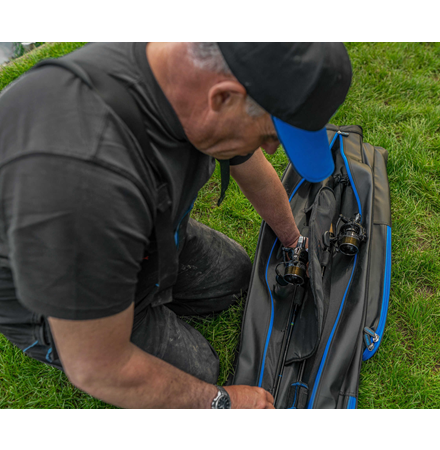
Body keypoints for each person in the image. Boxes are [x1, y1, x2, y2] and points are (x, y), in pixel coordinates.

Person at [0, 42, 352, 408]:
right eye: (271, 136)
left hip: (146, 237)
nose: (272, 149)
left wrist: (294, 241)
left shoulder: (190, 76)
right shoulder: (86, 185)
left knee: (235, 276)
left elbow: (249, 164)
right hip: (67, 293)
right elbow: (96, 366)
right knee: (201, 371)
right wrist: (223, 401)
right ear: (223, 98)